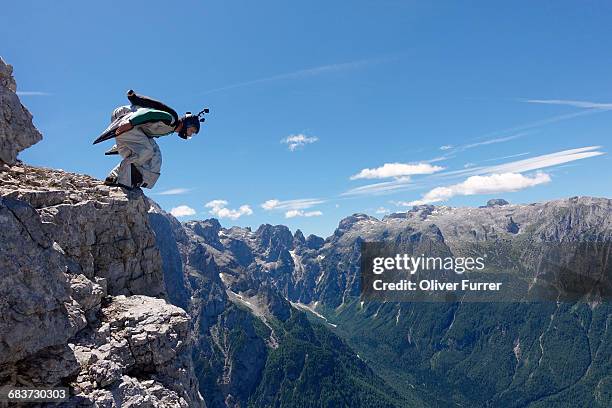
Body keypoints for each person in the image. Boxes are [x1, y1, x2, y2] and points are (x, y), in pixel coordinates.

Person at [95, 90, 208, 190]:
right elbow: (148, 114)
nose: (190, 134)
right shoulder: (170, 119)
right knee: (147, 151)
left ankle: (113, 176)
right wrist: (130, 122)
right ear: (187, 124)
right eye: (191, 131)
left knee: (155, 153)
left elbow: (145, 132)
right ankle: (125, 180)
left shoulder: (169, 129)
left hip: (131, 124)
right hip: (126, 117)